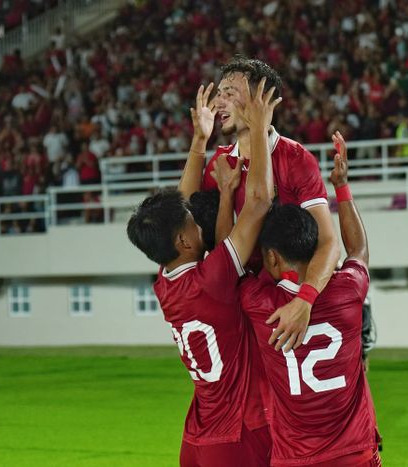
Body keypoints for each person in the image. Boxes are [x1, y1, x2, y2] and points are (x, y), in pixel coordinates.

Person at [126, 79, 281, 466]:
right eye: (193, 224)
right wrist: (260, 129)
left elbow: (182, 203)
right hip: (239, 433)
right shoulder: (213, 278)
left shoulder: (165, 282)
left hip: (197, 433)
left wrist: (200, 142)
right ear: (182, 241)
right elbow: (260, 203)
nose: (200, 224)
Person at [237, 132, 382, 466]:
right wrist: (341, 186)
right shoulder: (348, 291)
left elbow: (232, 260)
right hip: (354, 452)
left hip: (295, 458)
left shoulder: (260, 305)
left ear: (271, 258)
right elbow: (358, 250)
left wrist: (234, 193)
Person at [201, 56, 341, 351]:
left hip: (304, 299)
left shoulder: (295, 158)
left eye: (229, 93)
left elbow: (329, 242)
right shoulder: (220, 163)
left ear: (260, 101)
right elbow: (221, 249)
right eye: (219, 93)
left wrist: (304, 301)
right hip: (252, 301)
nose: (219, 101)